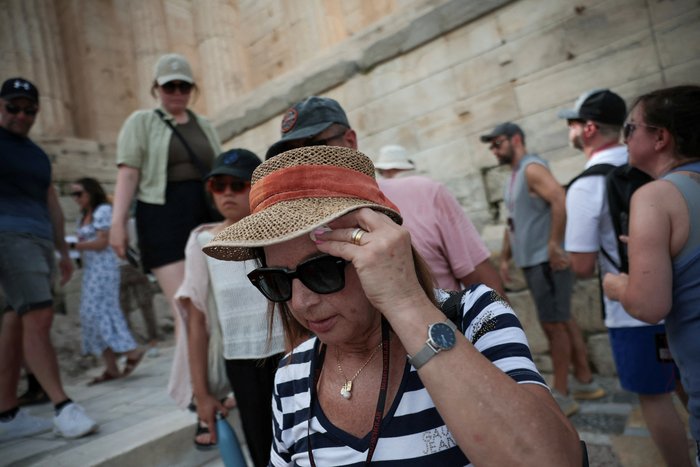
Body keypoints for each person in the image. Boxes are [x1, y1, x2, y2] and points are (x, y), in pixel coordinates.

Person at [202, 146, 581, 466]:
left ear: (379, 247)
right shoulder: (291, 376)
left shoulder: (475, 318)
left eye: (320, 271)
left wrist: (405, 301)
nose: (301, 301)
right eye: (278, 280)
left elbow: (551, 459)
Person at [561, 89, 692, 467]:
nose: (569, 130)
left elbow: (583, 266)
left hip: (631, 310)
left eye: (571, 123)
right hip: (681, 298)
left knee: (654, 396)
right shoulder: (661, 169)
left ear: (587, 129)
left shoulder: (586, 184)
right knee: (687, 385)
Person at [267, 97, 506, 296]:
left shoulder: (426, 194)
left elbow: (486, 288)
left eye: (314, 146)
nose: (303, 162)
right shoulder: (297, 230)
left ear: (350, 141)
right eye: (293, 154)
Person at [602, 85, 700, 467]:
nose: (625, 138)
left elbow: (647, 304)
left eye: (631, 128)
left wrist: (619, 284)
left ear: (661, 137)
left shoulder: (655, 196)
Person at [168, 149, 285, 466]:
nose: (228, 193)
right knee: (263, 451)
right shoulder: (201, 241)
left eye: (238, 184)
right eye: (218, 185)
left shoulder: (279, 228)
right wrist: (202, 394)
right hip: (242, 365)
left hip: (290, 354)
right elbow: (197, 321)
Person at [481, 122, 602, 417]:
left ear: (516, 139)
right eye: (492, 146)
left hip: (545, 261)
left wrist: (553, 245)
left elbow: (559, 198)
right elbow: (514, 220)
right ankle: (585, 380)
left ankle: (560, 393)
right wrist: (507, 257)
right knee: (563, 318)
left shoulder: (532, 168)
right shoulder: (515, 175)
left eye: (498, 143)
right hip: (531, 260)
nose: (494, 150)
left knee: (552, 325)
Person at [0, 77, 98, 440]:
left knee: (14, 321)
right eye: (13, 107)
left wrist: (63, 251)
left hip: (39, 240)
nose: (21, 115)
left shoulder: (37, 154)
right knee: (38, 316)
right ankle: (62, 406)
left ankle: (7, 413)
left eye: (29, 109)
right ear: (0, 105)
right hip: (10, 237)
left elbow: (52, 204)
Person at [110, 54, 223, 337]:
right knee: (185, 306)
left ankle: (214, 377)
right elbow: (128, 174)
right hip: (162, 217)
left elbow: (221, 169)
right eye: (169, 86)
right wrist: (117, 224)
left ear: (191, 89)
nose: (176, 92)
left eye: (183, 86)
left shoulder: (205, 125)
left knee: (216, 302)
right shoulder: (141, 121)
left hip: (206, 213)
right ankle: (193, 382)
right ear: (157, 88)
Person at [71, 178, 145, 385]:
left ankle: (132, 351)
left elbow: (103, 242)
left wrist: (74, 247)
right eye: (73, 194)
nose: (76, 198)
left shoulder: (102, 210)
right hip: (91, 270)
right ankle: (111, 366)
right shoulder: (83, 216)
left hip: (104, 269)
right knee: (90, 314)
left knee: (103, 312)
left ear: (91, 192)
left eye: (79, 193)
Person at [119, 217, 159, 357]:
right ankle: (131, 346)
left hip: (134, 265)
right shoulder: (110, 223)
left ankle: (152, 341)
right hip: (119, 268)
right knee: (123, 310)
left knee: (145, 304)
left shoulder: (131, 222)